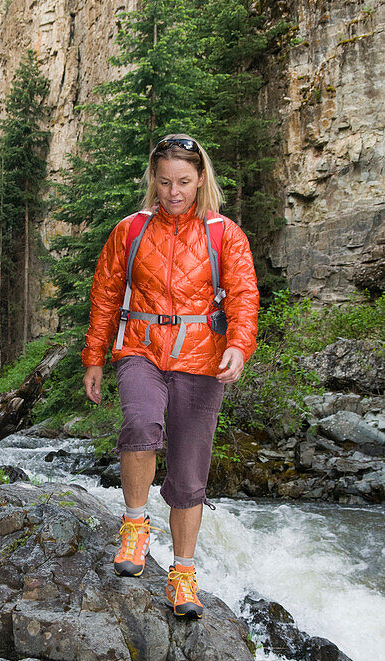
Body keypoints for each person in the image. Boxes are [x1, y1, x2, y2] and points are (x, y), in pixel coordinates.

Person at [82, 134, 259, 619]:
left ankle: (182, 574)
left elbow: (243, 295)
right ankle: (135, 527)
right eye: (164, 182)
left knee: (188, 472)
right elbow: (105, 295)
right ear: (152, 180)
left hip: (203, 360)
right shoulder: (130, 231)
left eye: (183, 181)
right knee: (140, 424)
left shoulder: (225, 234)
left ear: (200, 179)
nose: (173, 191)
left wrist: (240, 345)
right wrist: (94, 357)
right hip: (139, 348)